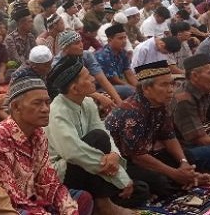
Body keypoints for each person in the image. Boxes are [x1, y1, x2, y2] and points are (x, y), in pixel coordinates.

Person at [46, 57, 147, 214]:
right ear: (74, 89)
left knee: (141, 189)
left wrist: (114, 155)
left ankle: (99, 204)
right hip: (64, 171)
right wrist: (121, 177)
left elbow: (105, 133)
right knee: (96, 139)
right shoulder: (57, 112)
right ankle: (104, 204)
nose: (93, 78)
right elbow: (74, 153)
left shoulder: (87, 102)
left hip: (93, 165)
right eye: (87, 77)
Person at [0, 78, 92, 215]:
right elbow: (11, 200)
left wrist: (69, 210)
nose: (45, 109)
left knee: (82, 199)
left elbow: (49, 182)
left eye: (47, 102)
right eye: (37, 103)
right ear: (16, 107)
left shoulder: (38, 133)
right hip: (8, 207)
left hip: (32, 197)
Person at [104, 61, 205, 199]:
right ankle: (184, 181)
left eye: (171, 84)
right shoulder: (131, 111)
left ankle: (185, 179)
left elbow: (169, 136)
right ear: (146, 89)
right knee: (159, 181)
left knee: (189, 157)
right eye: (164, 84)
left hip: (147, 154)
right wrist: (174, 173)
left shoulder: (161, 104)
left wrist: (184, 163)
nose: (171, 89)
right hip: (123, 161)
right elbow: (138, 157)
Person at [55, 30, 122, 110]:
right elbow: (69, 91)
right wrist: (99, 96)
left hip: (91, 88)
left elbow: (102, 80)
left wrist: (121, 105)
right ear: (65, 48)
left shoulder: (86, 55)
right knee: (92, 103)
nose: (81, 45)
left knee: (124, 92)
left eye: (81, 42)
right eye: (76, 43)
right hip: (70, 96)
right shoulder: (57, 65)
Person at [95, 24, 138, 100]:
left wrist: (139, 87)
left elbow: (129, 73)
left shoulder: (123, 52)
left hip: (116, 85)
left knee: (143, 88)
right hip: (102, 88)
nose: (124, 41)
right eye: (120, 38)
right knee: (131, 91)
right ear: (110, 40)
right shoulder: (103, 55)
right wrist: (134, 88)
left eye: (125, 38)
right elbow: (114, 80)